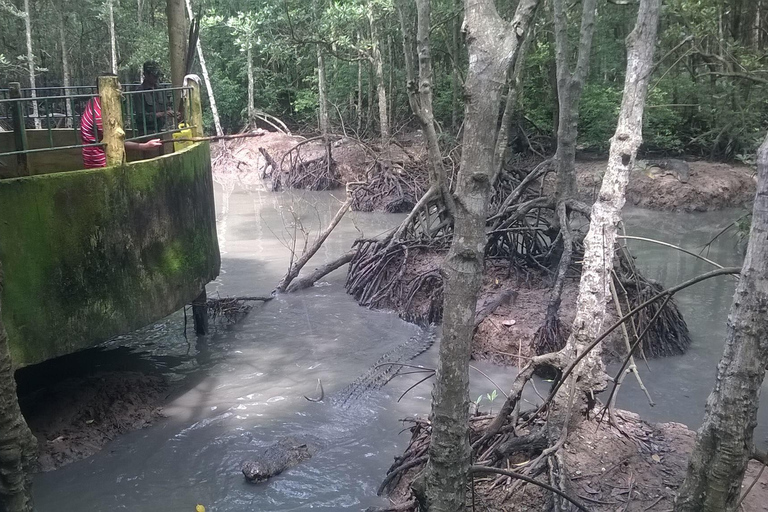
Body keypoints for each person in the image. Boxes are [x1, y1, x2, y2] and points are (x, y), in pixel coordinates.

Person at [81, 94, 162, 169]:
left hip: (90, 155)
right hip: (99, 159)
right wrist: (144, 146)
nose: (121, 94)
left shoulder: (94, 101)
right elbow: (115, 141)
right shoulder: (99, 116)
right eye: (117, 90)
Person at [134, 61, 176, 137]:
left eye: (157, 75)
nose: (156, 78)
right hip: (147, 132)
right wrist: (161, 114)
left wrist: (171, 112)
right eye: (153, 75)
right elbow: (140, 117)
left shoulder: (160, 90)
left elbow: (166, 106)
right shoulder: (139, 92)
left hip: (160, 130)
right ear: (145, 74)